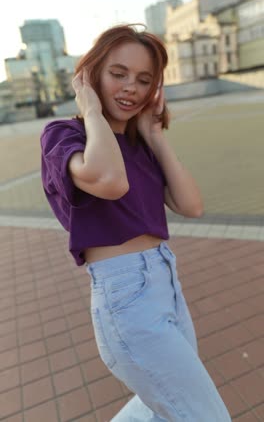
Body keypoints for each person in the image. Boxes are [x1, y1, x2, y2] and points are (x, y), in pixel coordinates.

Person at [40, 24, 231, 421]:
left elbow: (191, 205)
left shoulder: (140, 143)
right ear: (92, 73)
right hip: (125, 295)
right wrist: (90, 108)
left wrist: (156, 136)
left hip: (165, 282)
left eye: (144, 80)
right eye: (118, 74)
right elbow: (109, 181)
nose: (131, 87)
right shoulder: (64, 134)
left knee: (162, 407)